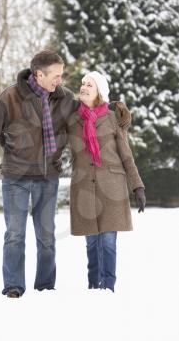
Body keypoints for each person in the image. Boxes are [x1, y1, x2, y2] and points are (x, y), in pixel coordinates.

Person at [0, 50, 131, 298]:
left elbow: (90, 107)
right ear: (39, 74)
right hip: (16, 177)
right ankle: (14, 286)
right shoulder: (9, 98)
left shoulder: (64, 98)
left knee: (46, 237)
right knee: (15, 234)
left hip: (47, 178)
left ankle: (45, 286)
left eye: (61, 75)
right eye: (56, 75)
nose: (60, 80)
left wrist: (114, 108)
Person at [66, 71, 146, 292]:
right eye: (82, 83)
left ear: (99, 90)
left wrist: (137, 186)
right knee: (91, 243)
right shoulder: (72, 119)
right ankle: (93, 286)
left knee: (108, 242)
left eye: (89, 84)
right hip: (84, 188)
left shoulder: (112, 118)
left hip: (112, 187)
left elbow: (126, 155)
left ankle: (107, 287)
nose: (83, 87)